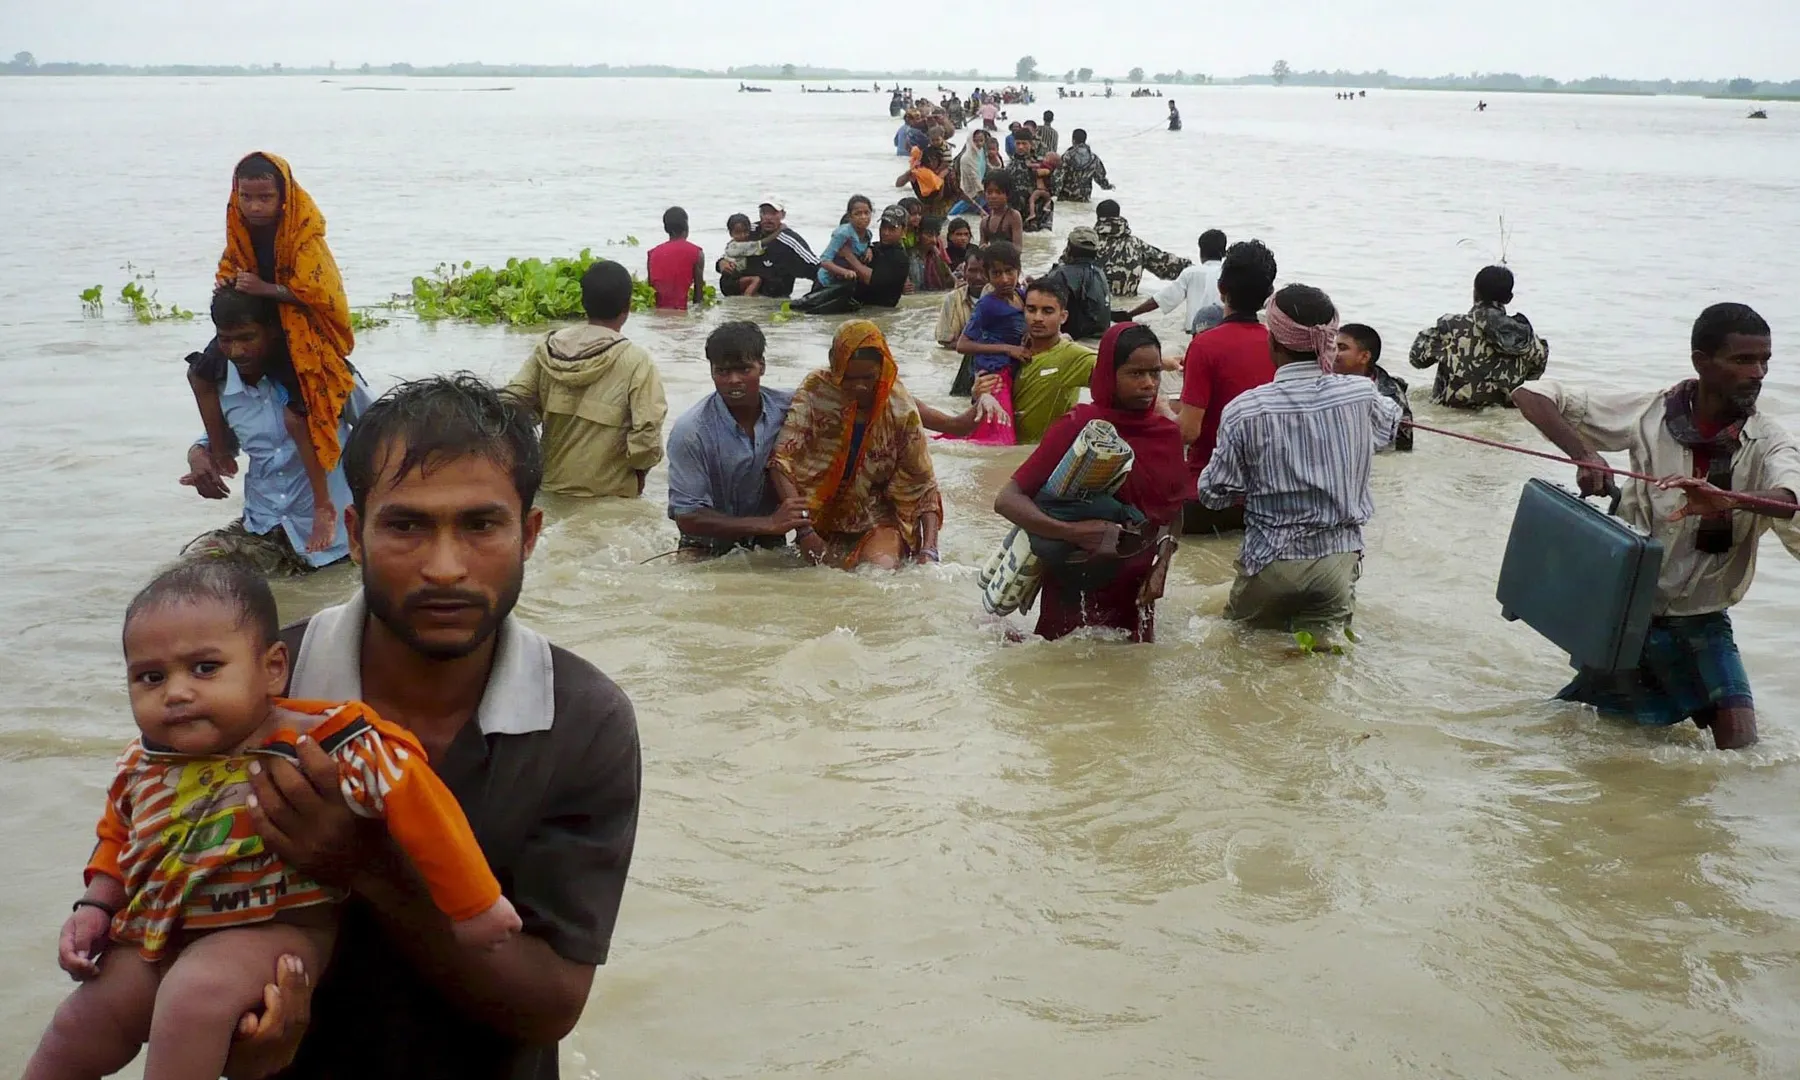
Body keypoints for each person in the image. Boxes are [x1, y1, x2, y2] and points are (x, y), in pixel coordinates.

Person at [223, 373, 641, 1078]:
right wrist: (238, 1041)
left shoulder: (581, 719)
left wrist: (368, 868)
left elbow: (550, 1004)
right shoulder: (256, 691)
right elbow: (175, 932)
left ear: (530, 534)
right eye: (407, 525)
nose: (445, 568)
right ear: (355, 533)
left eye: (480, 525)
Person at [23, 560, 520, 1080]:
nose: (175, 692)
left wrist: (474, 904)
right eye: (151, 677)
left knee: (194, 996)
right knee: (79, 1022)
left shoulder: (320, 742)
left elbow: (417, 798)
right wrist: (96, 905)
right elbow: (120, 838)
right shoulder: (143, 761)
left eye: (205, 668)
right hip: (155, 931)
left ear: (273, 669)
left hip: (271, 928)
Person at [1511, 303, 1800, 751]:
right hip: (1626, 613)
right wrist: (1584, 454)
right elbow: (1531, 394)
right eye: (1743, 360)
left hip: (1703, 619)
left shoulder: (1769, 441)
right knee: (1588, 733)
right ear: (1702, 362)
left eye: (1765, 361)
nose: (1758, 372)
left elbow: (1788, 499)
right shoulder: (1651, 414)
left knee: (1744, 752)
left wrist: (1729, 500)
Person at [1198, 285, 1401, 635]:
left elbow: (1214, 493)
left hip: (1271, 563)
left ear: (1273, 341)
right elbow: (1390, 428)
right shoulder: (1361, 392)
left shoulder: (1245, 410)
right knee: (1322, 664)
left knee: (1241, 654)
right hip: (1338, 563)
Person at [191, 152, 358, 559]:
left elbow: (322, 295)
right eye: (247, 197)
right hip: (264, 522)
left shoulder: (304, 237)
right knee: (199, 372)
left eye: (265, 197)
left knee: (297, 415)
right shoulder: (231, 385)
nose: (255, 207)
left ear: (284, 198)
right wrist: (204, 452)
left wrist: (266, 290)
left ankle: (324, 505)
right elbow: (230, 269)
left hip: (296, 329)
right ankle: (221, 451)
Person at [995, 323, 1187, 642]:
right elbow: (1007, 500)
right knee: (1064, 672)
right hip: (1075, 586)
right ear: (1110, 373)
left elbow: (1174, 509)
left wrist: (1163, 564)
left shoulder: (1166, 434)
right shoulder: (1080, 428)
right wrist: (1074, 532)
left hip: (1139, 588)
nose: (1149, 384)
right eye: (1135, 374)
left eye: (1154, 373)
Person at [180, 288, 371, 574]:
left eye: (247, 338)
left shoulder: (325, 375)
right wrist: (198, 454)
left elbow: (381, 426)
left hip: (336, 543)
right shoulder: (218, 384)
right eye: (226, 340)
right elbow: (224, 440)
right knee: (190, 571)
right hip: (263, 528)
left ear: (271, 331)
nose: (236, 351)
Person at [771, 322, 944, 570]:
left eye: (868, 377)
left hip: (877, 516)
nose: (860, 386)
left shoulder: (899, 407)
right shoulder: (816, 391)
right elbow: (781, 461)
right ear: (834, 365)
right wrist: (804, 531)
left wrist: (929, 551)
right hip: (823, 518)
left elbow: (923, 483)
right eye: (849, 378)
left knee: (878, 573)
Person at [507, 261, 668, 498]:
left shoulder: (547, 349)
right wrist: (640, 474)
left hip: (551, 491)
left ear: (582, 303)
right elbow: (647, 433)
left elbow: (510, 407)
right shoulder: (636, 361)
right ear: (628, 306)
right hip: (611, 498)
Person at [666, 322, 809, 559]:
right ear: (711, 372)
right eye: (723, 372)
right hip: (705, 546)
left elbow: (836, 397)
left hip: (770, 542)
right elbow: (687, 517)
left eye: (744, 370)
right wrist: (768, 523)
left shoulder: (791, 409)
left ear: (761, 367)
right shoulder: (691, 431)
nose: (733, 380)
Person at [1176, 239, 1278, 532]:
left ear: (1221, 289)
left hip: (1206, 499)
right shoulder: (1280, 345)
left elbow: (1188, 432)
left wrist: (1159, 411)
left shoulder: (1204, 345)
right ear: (1269, 295)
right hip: (1264, 500)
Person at [1408, 264, 1550, 408]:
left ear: (1475, 292)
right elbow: (1533, 379)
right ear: (1509, 298)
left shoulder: (1451, 327)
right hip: (1502, 421)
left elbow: (1416, 359)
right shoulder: (1530, 340)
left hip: (1451, 417)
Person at [953, 240, 1027, 444]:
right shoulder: (987, 305)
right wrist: (1007, 348)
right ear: (987, 276)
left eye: (1009, 271)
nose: (1004, 279)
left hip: (1012, 372)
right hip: (993, 376)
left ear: (1019, 270)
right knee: (998, 438)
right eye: (996, 273)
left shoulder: (1023, 296)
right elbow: (963, 345)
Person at [1010, 278, 1101, 443]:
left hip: (1042, 455)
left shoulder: (1073, 356)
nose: (1037, 318)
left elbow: (1119, 378)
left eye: (1047, 311)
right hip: (1005, 451)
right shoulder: (1010, 347)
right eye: (1031, 309)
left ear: (1063, 316)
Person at [1125, 228, 1228, 333]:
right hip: (1223, 331)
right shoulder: (1229, 273)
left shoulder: (1190, 273)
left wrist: (1129, 314)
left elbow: (1160, 299)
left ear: (1201, 252)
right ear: (1224, 252)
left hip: (1195, 333)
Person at [1335, 324, 1414, 452]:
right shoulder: (1324, 379)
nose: (1333, 352)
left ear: (1364, 357)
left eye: (1342, 348)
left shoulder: (1392, 400)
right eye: (1332, 347)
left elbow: (1402, 450)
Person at [1094, 200, 1192, 298]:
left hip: (1093, 307)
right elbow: (1167, 266)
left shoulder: (1088, 243)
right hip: (1128, 307)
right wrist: (1195, 269)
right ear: (1118, 216)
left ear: (1098, 217)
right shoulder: (1136, 245)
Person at [1036, 226, 1112, 341]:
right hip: (1101, 340)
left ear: (1069, 248)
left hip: (1075, 342)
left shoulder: (1061, 274)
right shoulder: (1100, 273)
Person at [736, 197, 819, 299]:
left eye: (773, 213)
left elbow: (816, 266)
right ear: (759, 214)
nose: (768, 218)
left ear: (783, 215)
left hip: (772, 301)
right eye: (764, 213)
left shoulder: (790, 241)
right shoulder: (749, 231)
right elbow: (730, 252)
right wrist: (722, 263)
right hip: (740, 296)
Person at [645, 206, 705, 311]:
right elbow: (698, 296)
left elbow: (650, 289)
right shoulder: (697, 253)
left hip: (658, 313)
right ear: (686, 225)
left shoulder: (652, 253)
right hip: (681, 312)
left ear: (666, 228)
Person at [938, 245, 989, 354]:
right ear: (965, 270)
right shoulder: (952, 299)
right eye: (973, 271)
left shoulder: (1002, 298)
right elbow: (946, 342)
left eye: (983, 271)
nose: (978, 277)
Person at [817, 195, 876, 288]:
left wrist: (869, 249)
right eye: (858, 214)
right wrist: (844, 272)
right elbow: (824, 261)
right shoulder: (843, 234)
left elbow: (864, 245)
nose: (863, 217)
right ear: (850, 216)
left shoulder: (868, 234)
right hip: (826, 282)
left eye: (866, 213)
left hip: (846, 282)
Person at [1053, 129, 1115, 203]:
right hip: (1084, 197)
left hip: (1065, 196)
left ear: (1073, 140)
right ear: (1085, 140)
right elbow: (1100, 177)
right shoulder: (1094, 158)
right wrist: (1107, 186)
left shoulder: (1067, 156)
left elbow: (1057, 175)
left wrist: (1053, 191)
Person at [718, 213, 763, 297]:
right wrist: (778, 232)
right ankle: (746, 299)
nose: (742, 235)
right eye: (738, 233)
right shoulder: (737, 245)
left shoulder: (736, 243)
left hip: (736, 279)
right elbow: (762, 243)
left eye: (745, 232)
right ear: (731, 233)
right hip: (730, 281)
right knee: (756, 280)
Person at [980, 174, 1024, 249]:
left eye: (998, 192)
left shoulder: (1013, 216)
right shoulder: (984, 222)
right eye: (989, 192)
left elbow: (1018, 248)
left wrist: (992, 250)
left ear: (1008, 195)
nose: (993, 196)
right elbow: (981, 249)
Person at [913, 216, 955, 291]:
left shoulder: (936, 256)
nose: (934, 240)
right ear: (918, 234)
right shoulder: (911, 258)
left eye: (936, 236)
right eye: (929, 235)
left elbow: (950, 281)